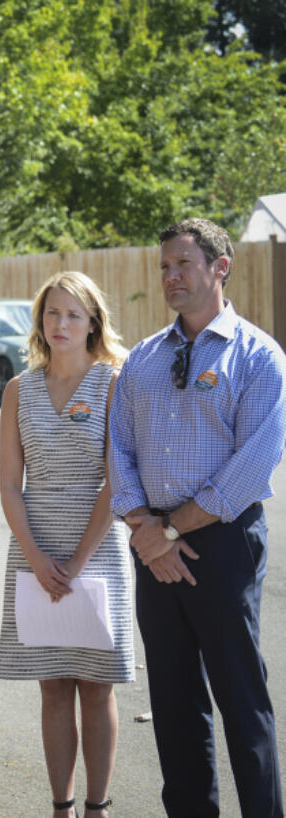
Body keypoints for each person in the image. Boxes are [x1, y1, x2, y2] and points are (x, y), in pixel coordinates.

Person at [110, 218, 286, 817]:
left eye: (183, 264)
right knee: (175, 704)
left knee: (242, 699)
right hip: (153, 547)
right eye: (164, 266)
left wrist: (169, 531)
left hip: (222, 546)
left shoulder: (259, 357)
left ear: (221, 267)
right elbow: (119, 452)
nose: (171, 276)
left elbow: (251, 466)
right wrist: (146, 531)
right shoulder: (141, 360)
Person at [0, 272, 131, 818]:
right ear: (40, 322)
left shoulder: (114, 382)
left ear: (93, 321)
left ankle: (98, 806)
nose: (62, 324)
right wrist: (33, 553)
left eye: (74, 314)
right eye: (52, 314)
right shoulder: (17, 389)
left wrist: (76, 560)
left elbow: (117, 477)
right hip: (35, 544)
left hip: (97, 546)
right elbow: (8, 482)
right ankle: (62, 806)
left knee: (97, 687)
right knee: (52, 687)